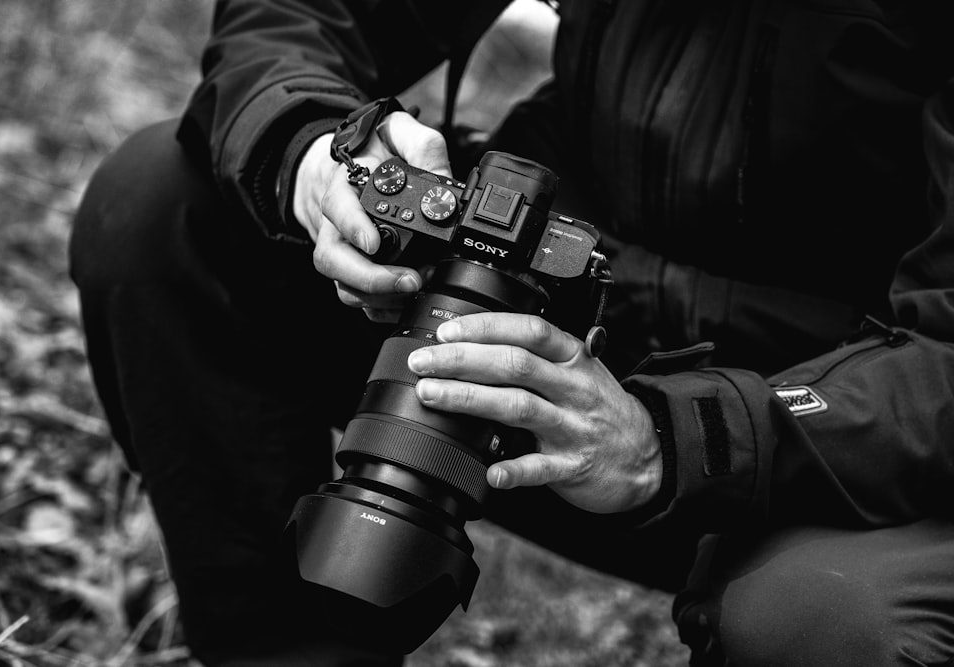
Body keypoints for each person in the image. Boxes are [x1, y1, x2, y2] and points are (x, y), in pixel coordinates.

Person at [68, 0, 954, 665]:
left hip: (850, 428)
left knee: (826, 618)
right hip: (580, 316)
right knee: (162, 210)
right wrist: (312, 154)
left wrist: (670, 443)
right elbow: (303, 12)